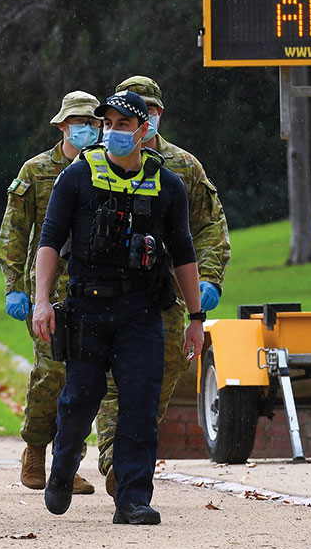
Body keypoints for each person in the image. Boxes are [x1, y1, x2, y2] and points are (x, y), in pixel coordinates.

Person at [32, 90, 206, 525]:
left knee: (140, 405)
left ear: (144, 130)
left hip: (142, 311)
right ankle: (63, 468)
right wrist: (41, 302)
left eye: (123, 125)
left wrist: (196, 317)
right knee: (79, 399)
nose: (112, 133)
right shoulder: (76, 177)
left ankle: (132, 498)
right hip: (87, 308)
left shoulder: (168, 184)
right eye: (107, 125)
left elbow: (184, 253)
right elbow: (50, 240)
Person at [96, 76, 230, 495]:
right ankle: (115, 457)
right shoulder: (93, 163)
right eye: (138, 111)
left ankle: (131, 452)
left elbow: (210, 227)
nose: (145, 119)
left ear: (158, 116)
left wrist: (207, 281)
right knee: (111, 378)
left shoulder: (184, 168)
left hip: (169, 293)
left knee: (159, 375)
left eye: (152, 111)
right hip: (109, 289)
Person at [0, 90, 101, 494]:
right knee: (51, 374)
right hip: (47, 293)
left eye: (94, 123)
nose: (87, 130)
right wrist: (14, 287)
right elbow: (14, 232)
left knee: (86, 380)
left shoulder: (107, 168)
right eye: (80, 123)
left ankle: (68, 461)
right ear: (62, 126)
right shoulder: (37, 170)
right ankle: (36, 448)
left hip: (93, 291)